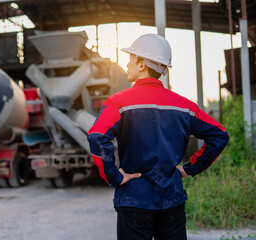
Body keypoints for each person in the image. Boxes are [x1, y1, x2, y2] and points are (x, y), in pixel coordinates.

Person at [87, 34, 229, 240]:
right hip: (172, 201)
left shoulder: (118, 102)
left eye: (131, 58)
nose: (126, 64)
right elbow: (219, 135)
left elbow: (97, 136)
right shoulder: (184, 105)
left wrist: (114, 177)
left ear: (142, 64)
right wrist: (191, 168)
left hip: (133, 201)